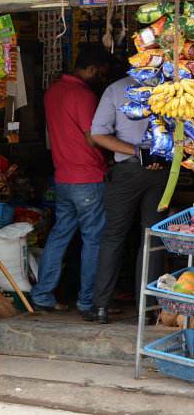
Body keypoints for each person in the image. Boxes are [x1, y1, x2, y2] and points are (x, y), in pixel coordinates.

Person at [30, 45, 111, 314]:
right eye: (101, 75)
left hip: (62, 177)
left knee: (59, 235)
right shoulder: (83, 94)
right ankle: (89, 302)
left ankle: (42, 294)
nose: (102, 80)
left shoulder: (53, 92)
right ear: (90, 69)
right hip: (87, 177)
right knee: (93, 240)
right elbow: (93, 137)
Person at [86, 69, 168, 324]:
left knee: (112, 237)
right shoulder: (174, 87)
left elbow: (98, 135)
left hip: (127, 171)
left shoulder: (116, 88)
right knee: (152, 236)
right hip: (163, 171)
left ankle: (100, 307)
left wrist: (135, 151)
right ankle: (148, 309)